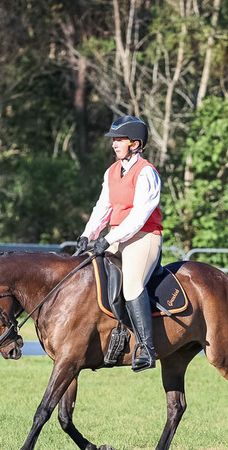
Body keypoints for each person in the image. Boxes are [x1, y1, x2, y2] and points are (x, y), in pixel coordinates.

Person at [73, 116, 162, 372]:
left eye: (119, 140)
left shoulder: (146, 172)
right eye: (114, 140)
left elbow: (138, 217)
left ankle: (146, 348)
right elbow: (103, 207)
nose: (114, 144)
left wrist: (108, 239)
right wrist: (88, 235)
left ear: (135, 144)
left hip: (144, 237)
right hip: (117, 237)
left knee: (132, 285)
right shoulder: (112, 171)